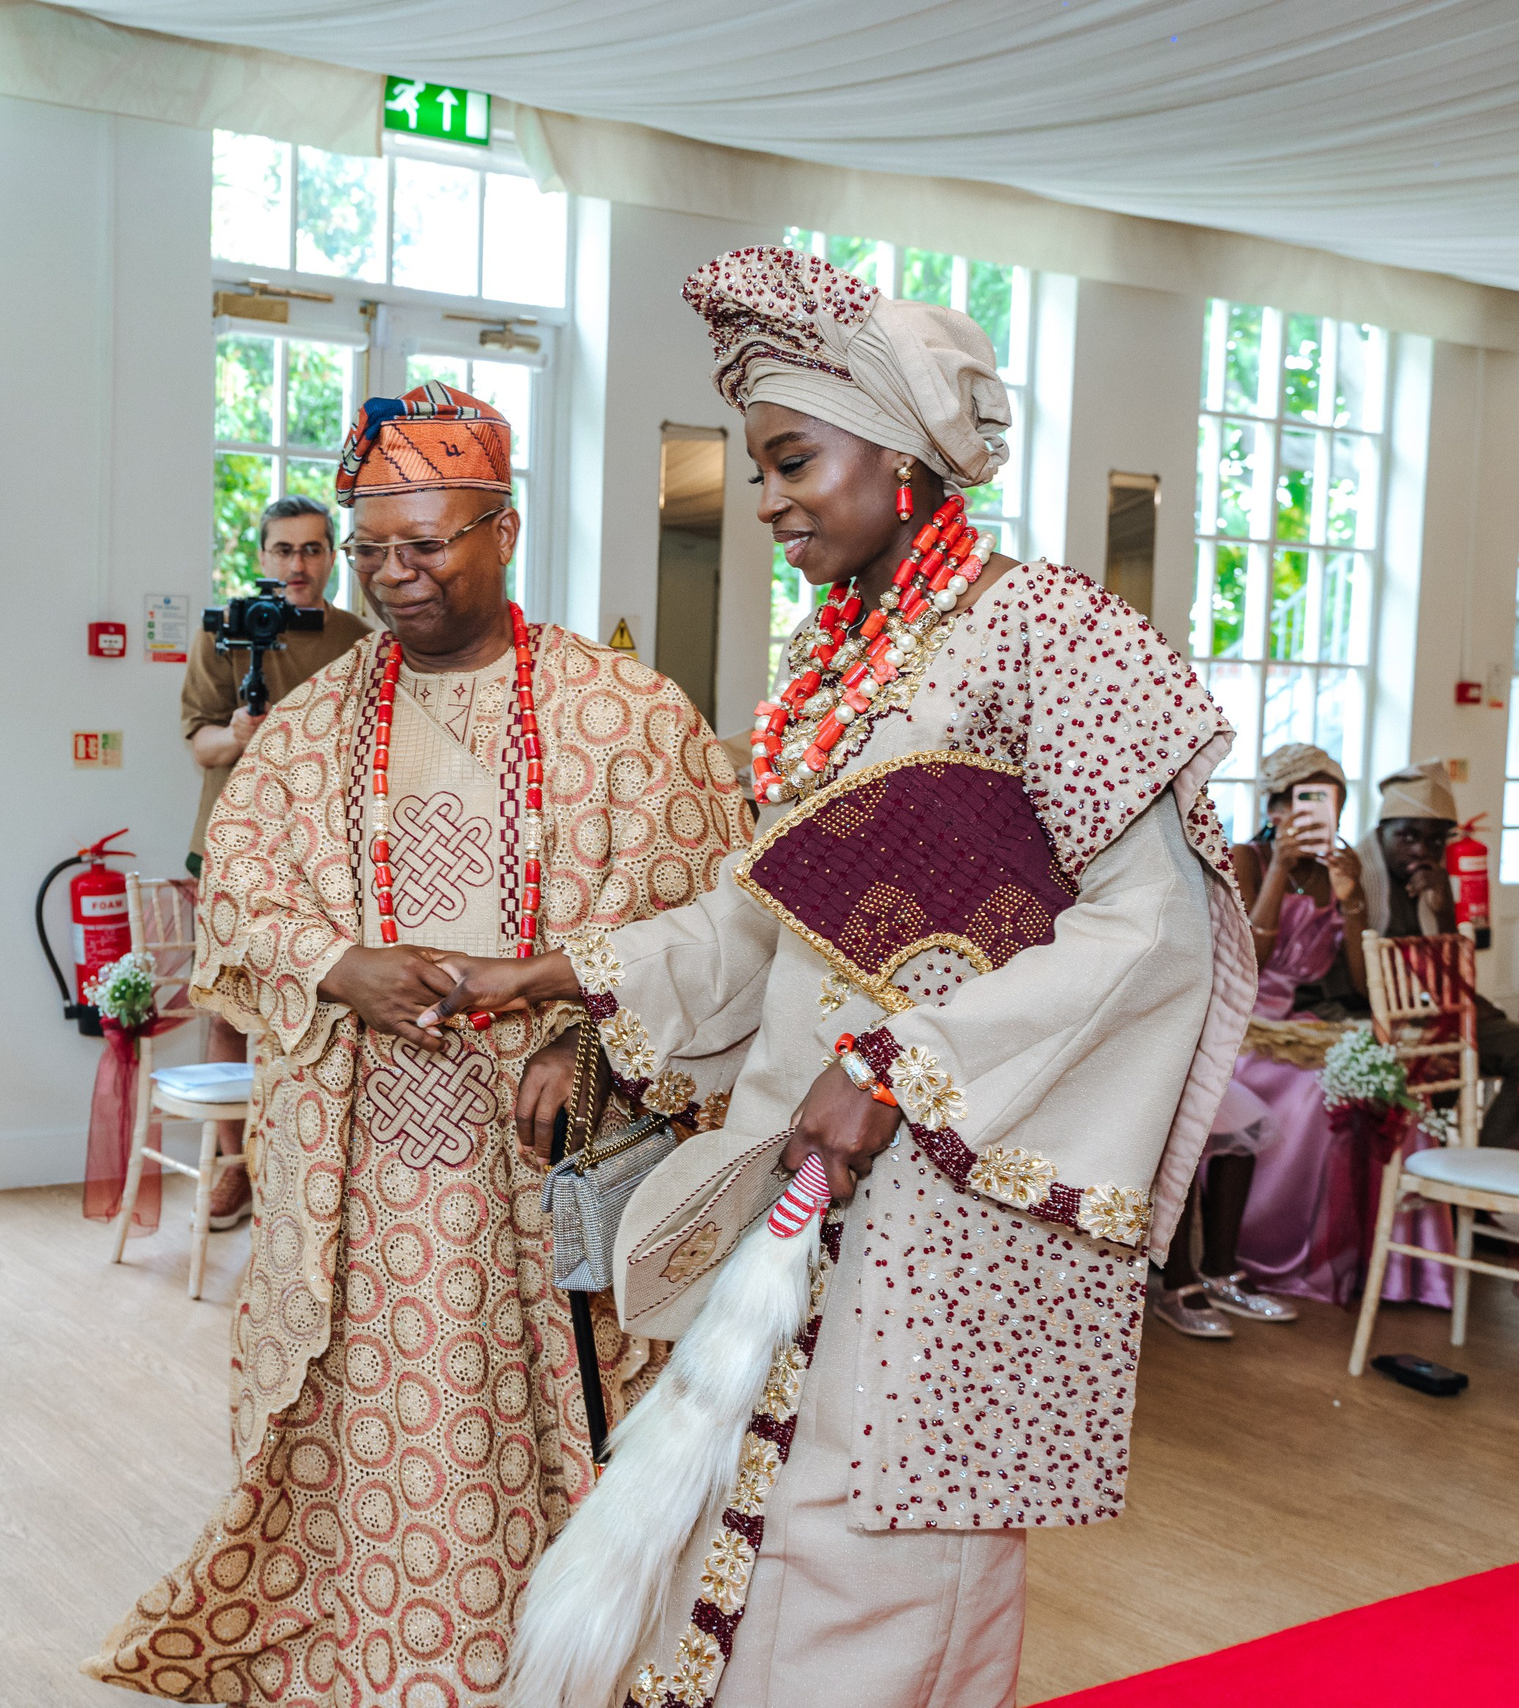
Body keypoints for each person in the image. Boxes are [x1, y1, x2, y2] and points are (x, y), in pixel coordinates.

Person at [432, 248, 1251, 1708]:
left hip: (963, 1193)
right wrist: (545, 972)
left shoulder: (1052, 632)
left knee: (883, 1572)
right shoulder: (851, 660)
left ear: (905, 447)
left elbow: (1158, 935)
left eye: (794, 459)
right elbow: (768, 932)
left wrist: (892, 1068)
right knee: (766, 1544)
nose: (768, 502)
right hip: (808, 1171)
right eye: (758, 468)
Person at [89, 383, 753, 1702]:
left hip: (541, 1164)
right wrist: (345, 967)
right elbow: (238, 897)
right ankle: (376, 1643)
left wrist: (594, 1049)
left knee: (527, 1415)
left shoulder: (626, 716)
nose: (394, 575)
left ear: (504, 530)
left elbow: (713, 921)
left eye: (428, 543)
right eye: (370, 547)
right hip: (364, 1168)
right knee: (380, 1425)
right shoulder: (314, 727)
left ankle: (557, 1646)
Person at [179, 493, 371, 1230]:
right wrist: (239, 734)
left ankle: (307, 1162)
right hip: (232, 846)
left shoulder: (358, 638)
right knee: (229, 1006)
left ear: (331, 557)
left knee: (325, 1005)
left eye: (313, 549)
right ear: (262, 558)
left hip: (328, 852)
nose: (298, 564)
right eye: (284, 550)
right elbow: (201, 744)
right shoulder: (224, 632)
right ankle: (236, 1170)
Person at [1152, 743, 1359, 1334]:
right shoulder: (1242, 855)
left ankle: (1225, 1267)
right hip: (1227, 1010)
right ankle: (1180, 1276)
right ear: (1274, 805)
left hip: (1287, 1023)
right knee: (1219, 1117)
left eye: (1331, 804)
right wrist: (1276, 871)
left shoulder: (1335, 875)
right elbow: (1250, 956)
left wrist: (1357, 901)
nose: (1321, 814)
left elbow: (1356, 981)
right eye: (1305, 801)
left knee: (1254, 1121)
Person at [1365, 759, 1519, 1150]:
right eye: (1408, 837)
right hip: (1378, 1015)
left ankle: (1481, 1167)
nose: (1422, 850)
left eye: (1435, 841)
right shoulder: (1356, 878)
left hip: (1441, 1004)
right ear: (1382, 832)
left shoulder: (1434, 877)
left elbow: (1456, 975)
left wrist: (1443, 907)